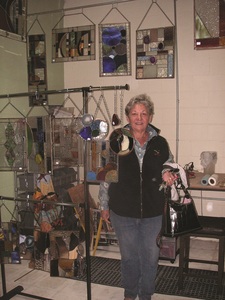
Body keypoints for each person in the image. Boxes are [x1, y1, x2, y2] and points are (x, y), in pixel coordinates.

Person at [98, 94, 176, 300]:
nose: (139, 118)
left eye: (143, 113)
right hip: (123, 211)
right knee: (130, 257)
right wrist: (104, 205)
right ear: (128, 116)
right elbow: (107, 174)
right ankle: (130, 294)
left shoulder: (160, 142)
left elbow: (170, 165)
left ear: (150, 116)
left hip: (152, 211)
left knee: (150, 257)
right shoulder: (117, 140)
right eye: (134, 114)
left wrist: (168, 173)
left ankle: (146, 295)